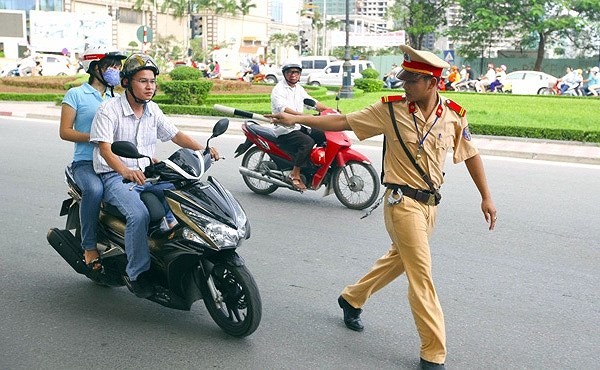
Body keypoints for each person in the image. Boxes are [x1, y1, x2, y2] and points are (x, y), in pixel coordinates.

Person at [267, 45, 497, 370]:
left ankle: (352, 298)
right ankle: (433, 353)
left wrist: (485, 196)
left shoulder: (454, 115)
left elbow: (471, 153)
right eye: (403, 78)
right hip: (401, 204)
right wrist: (294, 117)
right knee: (422, 275)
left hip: (431, 205)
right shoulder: (390, 110)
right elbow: (343, 121)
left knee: (400, 260)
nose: (403, 84)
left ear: (432, 83)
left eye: (411, 80)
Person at [90, 53, 219, 298]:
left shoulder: (153, 111)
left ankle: (171, 252)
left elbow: (175, 135)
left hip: (148, 174)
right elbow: (105, 149)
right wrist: (126, 170)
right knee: (138, 214)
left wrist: (201, 148)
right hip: (116, 177)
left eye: (152, 81)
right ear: (127, 82)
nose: (149, 87)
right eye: (142, 81)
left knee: (183, 197)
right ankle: (137, 274)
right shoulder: (109, 110)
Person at [59, 45, 127, 273]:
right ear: (95, 67)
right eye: (111, 65)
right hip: (85, 163)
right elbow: (65, 131)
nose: (116, 70)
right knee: (95, 191)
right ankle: (89, 246)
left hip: (112, 161)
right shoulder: (76, 94)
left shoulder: (116, 98)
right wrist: (95, 138)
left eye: (118, 66)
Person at [270, 61, 331, 191]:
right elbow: (283, 109)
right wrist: (301, 116)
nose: (293, 75)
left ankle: (315, 166)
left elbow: (312, 102)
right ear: (285, 74)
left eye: (296, 72)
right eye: (290, 72)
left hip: (298, 124)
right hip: (284, 128)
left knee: (322, 134)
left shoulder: (299, 89)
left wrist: (330, 111)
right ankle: (295, 174)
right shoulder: (278, 89)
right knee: (308, 142)